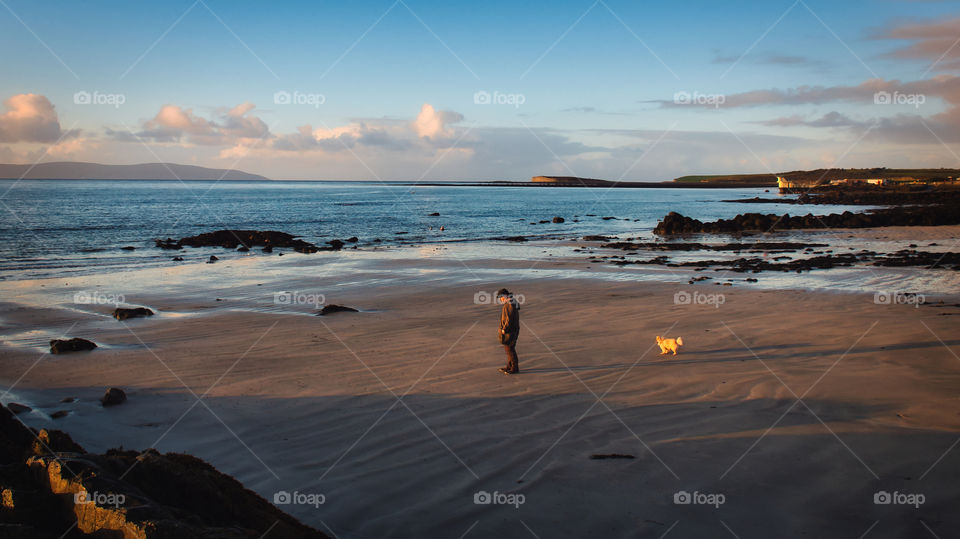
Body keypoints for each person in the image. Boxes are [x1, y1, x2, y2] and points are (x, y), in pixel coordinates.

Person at [496, 288, 520, 374]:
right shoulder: (511, 302)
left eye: (501, 297)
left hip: (510, 330)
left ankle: (514, 368)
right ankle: (509, 367)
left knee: (509, 349)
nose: (500, 299)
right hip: (513, 329)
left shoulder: (510, 303)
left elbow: (508, 319)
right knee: (509, 349)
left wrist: (504, 329)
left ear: (505, 296)